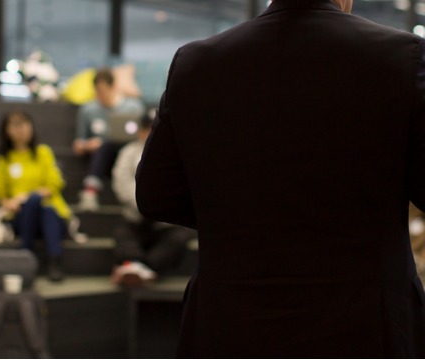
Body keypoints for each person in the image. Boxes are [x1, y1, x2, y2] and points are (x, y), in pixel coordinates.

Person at [135, 0, 425, 357]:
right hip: (365, 323)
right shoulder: (404, 57)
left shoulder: (196, 63)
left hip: (230, 322)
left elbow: (156, 195)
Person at [111, 112, 195, 287]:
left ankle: (144, 268)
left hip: (165, 222)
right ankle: (134, 264)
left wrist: (159, 207)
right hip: (135, 217)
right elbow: (121, 181)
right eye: (146, 128)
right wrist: (144, 204)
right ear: (140, 131)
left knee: (180, 237)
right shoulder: (128, 152)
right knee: (122, 232)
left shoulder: (175, 153)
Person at [0, 111, 71, 282]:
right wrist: (11, 202)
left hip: (49, 213)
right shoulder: (5, 159)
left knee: (45, 209)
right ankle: (54, 262)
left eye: (24, 123)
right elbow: (0, 193)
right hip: (20, 216)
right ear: (6, 131)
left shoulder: (43, 152)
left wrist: (27, 196)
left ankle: (27, 255)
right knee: (37, 206)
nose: (21, 129)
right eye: (15, 125)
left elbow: (55, 183)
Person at [73, 68, 144, 212]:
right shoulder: (88, 110)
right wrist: (88, 145)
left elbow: (142, 135)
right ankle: (90, 192)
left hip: (128, 152)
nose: (101, 95)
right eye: (98, 91)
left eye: (104, 90)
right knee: (104, 146)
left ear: (113, 87)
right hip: (101, 155)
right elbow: (79, 143)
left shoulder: (133, 107)